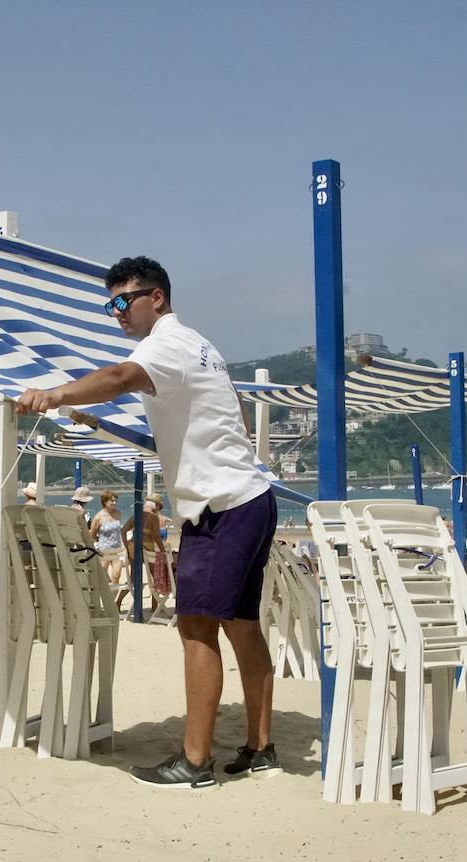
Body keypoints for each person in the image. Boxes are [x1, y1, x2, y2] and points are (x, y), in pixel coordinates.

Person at [16, 256, 278, 790]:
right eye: (108, 304)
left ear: (156, 297)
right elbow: (234, 415)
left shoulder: (165, 343)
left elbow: (117, 377)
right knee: (243, 626)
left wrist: (56, 394)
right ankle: (260, 745)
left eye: (122, 301)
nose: (115, 313)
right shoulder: (202, 346)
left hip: (220, 507)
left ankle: (196, 761)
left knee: (197, 626)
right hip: (250, 497)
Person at [90, 491, 127, 587]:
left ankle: (113, 601)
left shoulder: (118, 514)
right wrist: (98, 545)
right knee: (102, 578)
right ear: (105, 502)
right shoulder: (98, 517)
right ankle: (105, 599)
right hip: (104, 551)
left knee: (116, 576)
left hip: (117, 549)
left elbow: (119, 532)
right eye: (112, 501)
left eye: (115, 501)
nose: (115, 503)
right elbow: (92, 535)